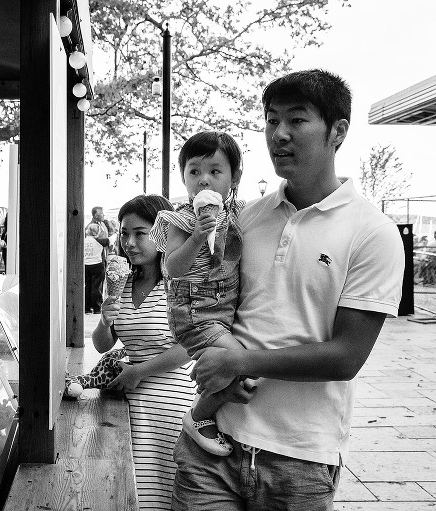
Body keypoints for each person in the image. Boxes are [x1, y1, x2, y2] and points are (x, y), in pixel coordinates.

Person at [172, 69, 404, 510]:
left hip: (301, 460)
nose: (278, 134)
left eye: (296, 121)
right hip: (213, 444)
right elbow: (206, 301)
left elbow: (346, 356)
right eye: (270, 120)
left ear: (337, 132)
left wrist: (239, 361)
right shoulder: (244, 219)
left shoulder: (373, 233)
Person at [89, 194, 249, 510]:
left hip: (173, 404)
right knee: (133, 494)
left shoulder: (181, 281)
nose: (130, 242)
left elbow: (193, 342)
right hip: (130, 407)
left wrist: (140, 371)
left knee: (168, 494)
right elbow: (102, 344)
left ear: (162, 231)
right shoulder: (120, 282)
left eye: (140, 233)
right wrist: (106, 322)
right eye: (124, 233)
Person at [149, 131, 248, 456]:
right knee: (241, 365)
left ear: (234, 178)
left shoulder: (236, 215)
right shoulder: (180, 220)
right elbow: (173, 268)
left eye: (215, 172)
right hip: (194, 316)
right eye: (194, 172)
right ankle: (197, 416)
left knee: (240, 372)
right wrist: (195, 237)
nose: (204, 180)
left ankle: (211, 403)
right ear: (184, 177)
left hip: (222, 314)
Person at [83, 224, 105, 314]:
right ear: (96, 232)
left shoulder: (83, 241)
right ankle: (96, 308)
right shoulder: (99, 241)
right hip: (97, 264)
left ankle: (87, 308)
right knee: (96, 287)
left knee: (87, 286)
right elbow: (111, 241)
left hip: (86, 264)